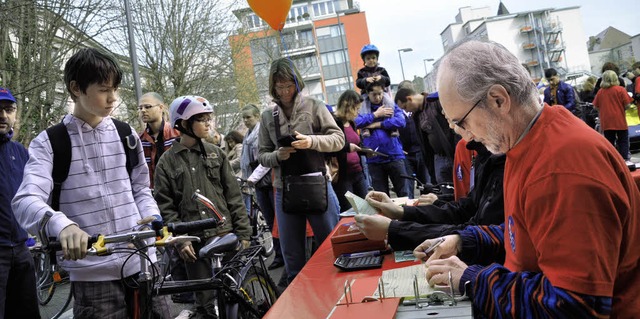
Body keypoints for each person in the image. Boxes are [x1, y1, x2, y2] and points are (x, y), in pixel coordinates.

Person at [415, 39, 640, 317]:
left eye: (461, 122)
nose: (464, 136)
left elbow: (575, 306)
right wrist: (465, 241)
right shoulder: (526, 143)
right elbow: (528, 233)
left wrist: (472, 280)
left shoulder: (561, 167)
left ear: (498, 100)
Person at [12, 48, 170, 318]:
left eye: (115, 89)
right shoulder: (50, 142)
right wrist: (63, 226)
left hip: (144, 264)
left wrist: (152, 216)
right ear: (76, 88)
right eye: (103, 89)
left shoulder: (125, 134)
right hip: (92, 275)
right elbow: (25, 201)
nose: (113, 98)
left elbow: (141, 188)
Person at [154, 95, 251, 318]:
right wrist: (182, 238)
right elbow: (166, 207)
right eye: (202, 119)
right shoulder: (166, 163)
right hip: (194, 244)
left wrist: (243, 233)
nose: (209, 123)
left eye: (210, 118)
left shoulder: (216, 153)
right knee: (206, 303)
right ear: (184, 124)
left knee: (236, 296)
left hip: (225, 236)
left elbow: (233, 196)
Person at [258, 57, 343, 286]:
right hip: (283, 189)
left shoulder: (315, 106)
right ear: (273, 87)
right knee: (292, 256)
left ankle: (338, 290)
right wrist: (277, 155)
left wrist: (311, 141)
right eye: (279, 86)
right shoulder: (268, 116)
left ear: (297, 82)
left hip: (317, 184)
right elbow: (262, 155)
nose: (285, 91)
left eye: (289, 85)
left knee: (332, 247)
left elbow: (338, 139)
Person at [355, 137, 504, 252]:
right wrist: (401, 212)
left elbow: (478, 227)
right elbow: (467, 208)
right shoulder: (485, 153)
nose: (453, 127)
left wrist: (395, 229)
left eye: (460, 121)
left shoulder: (498, 159)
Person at [0, 87, 40, 319]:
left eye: (8, 109)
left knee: (26, 312)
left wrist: (33, 232)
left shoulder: (21, 153)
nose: (3, 115)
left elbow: (31, 196)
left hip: (22, 249)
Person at [239, 104, 284, 270]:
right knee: (270, 220)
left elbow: (264, 161)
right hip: (258, 183)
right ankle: (279, 254)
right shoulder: (247, 136)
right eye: (243, 117)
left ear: (257, 116)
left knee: (276, 221)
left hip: (267, 181)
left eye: (248, 117)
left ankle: (281, 254)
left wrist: (251, 178)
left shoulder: (259, 135)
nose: (245, 120)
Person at [355, 81, 409, 197]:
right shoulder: (361, 107)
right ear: (367, 94)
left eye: (380, 94)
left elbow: (401, 121)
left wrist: (378, 124)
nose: (378, 97)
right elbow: (356, 122)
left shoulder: (390, 105)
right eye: (374, 94)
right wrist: (375, 115)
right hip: (374, 159)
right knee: (381, 197)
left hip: (394, 156)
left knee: (404, 194)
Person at [395, 88, 459, 184]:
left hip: (454, 153)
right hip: (438, 158)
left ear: (409, 99)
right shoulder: (416, 116)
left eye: (405, 107)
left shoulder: (436, 101)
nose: (406, 110)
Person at [330, 89, 369, 211]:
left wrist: (366, 151)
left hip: (358, 172)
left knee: (366, 208)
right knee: (349, 210)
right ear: (349, 106)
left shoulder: (352, 123)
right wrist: (348, 147)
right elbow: (332, 145)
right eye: (356, 109)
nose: (358, 112)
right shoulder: (334, 122)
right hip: (343, 176)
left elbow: (358, 142)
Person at [138, 92, 180, 190]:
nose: (143, 110)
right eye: (140, 108)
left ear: (161, 107)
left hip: (178, 191)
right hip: (154, 194)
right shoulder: (139, 140)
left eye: (148, 107)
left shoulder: (177, 134)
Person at [593, 70, 634, 161]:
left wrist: (604, 110)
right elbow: (627, 105)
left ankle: (613, 160)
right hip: (619, 120)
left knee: (609, 142)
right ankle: (625, 160)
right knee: (623, 141)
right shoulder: (620, 90)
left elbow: (595, 106)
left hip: (606, 122)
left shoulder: (600, 92)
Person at [355, 44, 395, 138]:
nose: (371, 60)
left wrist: (381, 78)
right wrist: (365, 80)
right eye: (368, 58)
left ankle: (391, 125)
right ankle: (365, 128)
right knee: (363, 106)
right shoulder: (361, 72)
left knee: (389, 102)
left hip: (382, 92)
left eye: (373, 58)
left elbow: (388, 81)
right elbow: (358, 83)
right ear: (364, 60)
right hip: (366, 94)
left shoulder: (382, 70)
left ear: (377, 59)